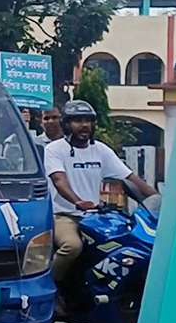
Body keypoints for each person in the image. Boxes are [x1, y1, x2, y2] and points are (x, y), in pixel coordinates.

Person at [44, 100, 157, 288]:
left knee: (123, 242)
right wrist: (78, 201)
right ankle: (50, 288)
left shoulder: (101, 150)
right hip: (63, 215)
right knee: (72, 246)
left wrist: (161, 201)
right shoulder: (54, 150)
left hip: (95, 215)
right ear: (66, 124)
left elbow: (131, 179)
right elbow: (59, 181)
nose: (84, 125)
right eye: (78, 121)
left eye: (88, 120)